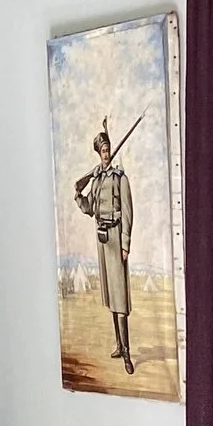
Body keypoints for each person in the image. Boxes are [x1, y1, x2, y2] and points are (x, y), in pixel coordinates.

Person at [73, 122, 135, 374]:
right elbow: (90, 208)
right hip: (102, 239)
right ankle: (119, 345)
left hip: (116, 237)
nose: (106, 153)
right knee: (111, 297)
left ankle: (128, 353)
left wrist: (126, 244)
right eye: (103, 151)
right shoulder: (97, 177)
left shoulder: (120, 178)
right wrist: (78, 194)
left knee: (120, 297)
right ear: (98, 153)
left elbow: (129, 212)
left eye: (108, 149)